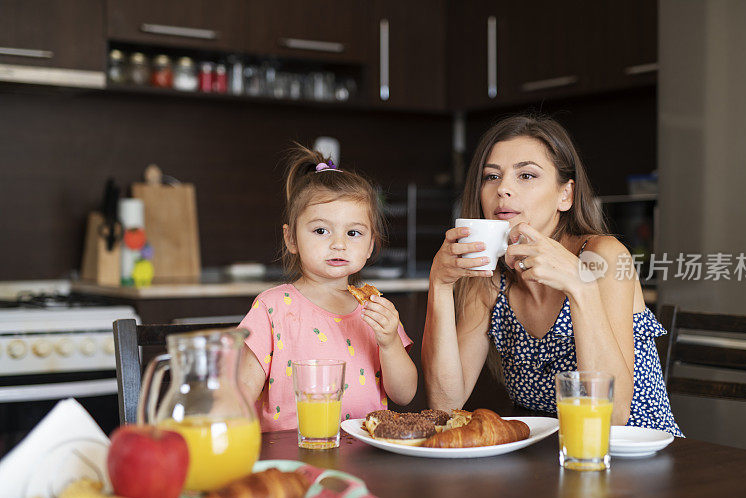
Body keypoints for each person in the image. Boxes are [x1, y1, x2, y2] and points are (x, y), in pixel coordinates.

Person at [422, 115, 682, 436]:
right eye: (491, 177)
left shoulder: (603, 256)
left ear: (565, 196)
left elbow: (612, 416)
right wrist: (440, 284)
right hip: (553, 459)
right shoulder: (490, 277)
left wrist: (580, 287)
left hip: (636, 456)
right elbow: (445, 403)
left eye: (527, 175)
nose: (503, 189)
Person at [238, 144, 417, 431]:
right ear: (291, 238)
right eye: (321, 230)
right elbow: (239, 396)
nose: (338, 244)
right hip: (291, 454)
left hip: (365, 453)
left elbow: (405, 395)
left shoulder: (375, 311)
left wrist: (390, 343)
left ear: (370, 245)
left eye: (353, 232)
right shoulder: (271, 308)